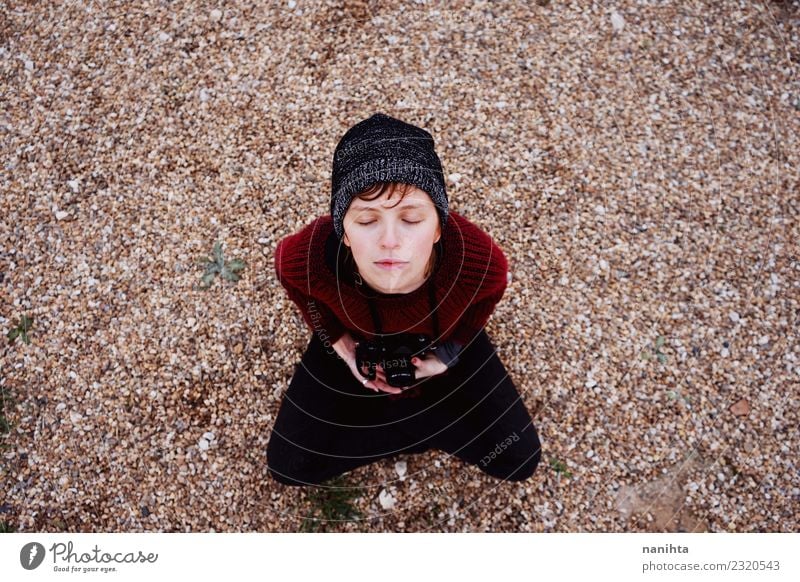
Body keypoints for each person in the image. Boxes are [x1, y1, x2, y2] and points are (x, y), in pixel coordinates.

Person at [267, 112, 541, 486]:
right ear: (342, 231)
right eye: (366, 221)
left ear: (439, 227)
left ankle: (410, 424)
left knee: (519, 459)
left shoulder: (476, 260)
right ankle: (428, 427)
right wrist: (337, 340)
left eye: (411, 219)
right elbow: (287, 272)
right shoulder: (312, 255)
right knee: (288, 466)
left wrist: (450, 353)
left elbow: (488, 295)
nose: (390, 241)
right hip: (358, 336)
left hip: (439, 335)